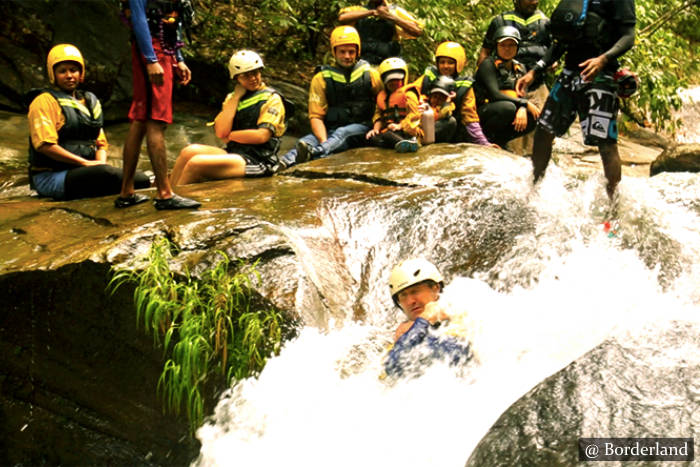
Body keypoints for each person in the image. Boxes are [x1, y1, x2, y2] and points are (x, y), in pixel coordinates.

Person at [516, 0, 636, 199]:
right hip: (570, 73)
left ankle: (613, 205)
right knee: (544, 131)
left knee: (605, 142)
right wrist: (534, 72)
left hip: (601, 75)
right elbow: (561, 42)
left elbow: (628, 36)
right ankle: (534, 188)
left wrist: (603, 59)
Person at [27, 44, 150, 201]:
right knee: (106, 175)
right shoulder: (43, 102)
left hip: (86, 172)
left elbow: (100, 143)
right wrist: (86, 164)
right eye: (62, 71)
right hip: (51, 177)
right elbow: (45, 146)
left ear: (81, 73)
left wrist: (100, 163)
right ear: (53, 74)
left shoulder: (89, 101)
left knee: (142, 180)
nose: (69, 75)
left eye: (73, 70)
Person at [117, 0, 200, 209]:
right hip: (152, 51)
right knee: (155, 120)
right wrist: (151, 60)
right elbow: (138, 19)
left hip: (162, 50)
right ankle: (165, 194)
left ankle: (126, 192)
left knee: (141, 118)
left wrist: (178, 58)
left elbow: (173, 19)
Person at [170, 50, 286, 185]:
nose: (253, 78)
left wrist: (230, 136)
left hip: (259, 160)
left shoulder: (272, 98)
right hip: (235, 153)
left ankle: (179, 198)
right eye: (246, 76)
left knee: (196, 163)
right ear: (237, 78)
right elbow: (220, 132)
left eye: (255, 73)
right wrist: (236, 98)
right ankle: (168, 194)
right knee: (188, 152)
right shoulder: (232, 98)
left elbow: (261, 136)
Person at [280, 26, 382, 167]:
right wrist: (324, 140)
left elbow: (383, 104)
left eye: (351, 52)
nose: (347, 56)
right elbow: (316, 116)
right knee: (305, 142)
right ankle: (283, 163)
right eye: (342, 52)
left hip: (362, 128)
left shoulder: (371, 74)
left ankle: (316, 152)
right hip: (331, 130)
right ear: (334, 52)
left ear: (357, 52)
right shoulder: (321, 78)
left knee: (343, 132)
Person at [477, 0, 552, 154]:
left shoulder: (545, 23)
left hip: (534, 84)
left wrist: (550, 64)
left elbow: (553, 51)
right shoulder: (500, 21)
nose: (534, 1)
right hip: (504, 88)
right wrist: (483, 75)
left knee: (538, 123)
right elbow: (485, 50)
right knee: (509, 114)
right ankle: (498, 147)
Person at [384, 258, 472, 378]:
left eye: (415, 291)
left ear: (436, 288)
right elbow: (393, 367)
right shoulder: (405, 335)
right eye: (403, 296)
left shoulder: (462, 317)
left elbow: (457, 355)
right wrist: (420, 326)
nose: (410, 301)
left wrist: (423, 321)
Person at [473, 26, 541, 149]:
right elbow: (495, 94)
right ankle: (485, 138)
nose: (507, 49)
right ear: (496, 47)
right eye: (503, 45)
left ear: (517, 48)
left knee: (534, 115)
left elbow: (521, 94)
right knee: (507, 108)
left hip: (507, 107)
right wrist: (524, 103)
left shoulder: (520, 67)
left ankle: (500, 141)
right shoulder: (487, 65)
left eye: (511, 45)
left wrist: (523, 107)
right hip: (483, 113)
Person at [413, 42, 491, 146]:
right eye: (442, 62)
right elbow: (411, 93)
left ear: (458, 64)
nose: (445, 66)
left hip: (448, 129)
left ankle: (422, 140)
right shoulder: (428, 77)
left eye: (450, 63)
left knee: (451, 121)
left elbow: (470, 118)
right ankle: (414, 138)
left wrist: (484, 143)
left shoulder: (464, 86)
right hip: (421, 123)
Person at [337, 0, 423, 66]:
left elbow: (417, 31)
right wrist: (372, 12)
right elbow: (342, 18)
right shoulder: (359, 10)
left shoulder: (394, 11)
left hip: (389, 63)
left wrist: (389, 16)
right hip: (363, 63)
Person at [365, 57, 421, 153]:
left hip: (408, 130)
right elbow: (378, 115)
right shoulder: (381, 96)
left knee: (387, 135)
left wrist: (400, 126)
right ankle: (401, 144)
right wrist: (375, 129)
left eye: (397, 80)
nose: (394, 83)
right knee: (372, 138)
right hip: (391, 131)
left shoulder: (409, 94)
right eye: (390, 81)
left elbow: (414, 115)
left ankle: (408, 144)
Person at [422, 76, 458, 144]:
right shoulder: (424, 104)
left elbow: (445, 114)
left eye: (441, 98)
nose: (437, 100)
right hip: (420, 132)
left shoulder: (447, 107)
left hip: (432, 136)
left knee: (451, 121)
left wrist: (447, 102)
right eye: (435, 96)